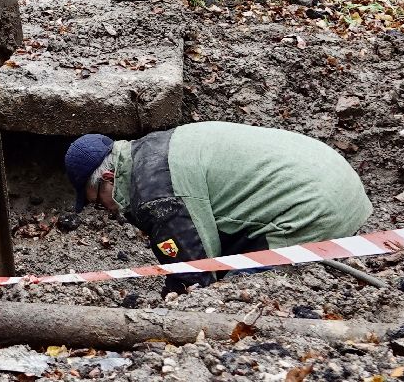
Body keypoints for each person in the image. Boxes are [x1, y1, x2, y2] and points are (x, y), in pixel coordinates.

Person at [64, 121, 374, 292]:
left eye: (98, 202)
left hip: (318, 208)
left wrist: (172, 303)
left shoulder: (154, 193)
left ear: (108, 178)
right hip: (337, 180)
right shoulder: (151, 148)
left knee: (233, 290)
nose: (108, 211)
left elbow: (195, 272)